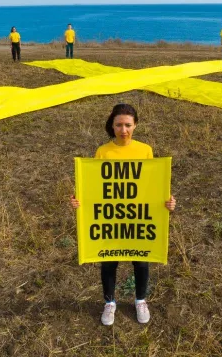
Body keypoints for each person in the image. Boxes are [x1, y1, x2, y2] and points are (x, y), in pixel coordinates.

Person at [70, 103, 176, 326]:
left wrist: (167, 202)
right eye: (119, 125)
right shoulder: (103, 152)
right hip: (112, 217)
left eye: (128, 125)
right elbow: (95, 185)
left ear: (135, 125)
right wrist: (80, 201)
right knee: (109, 262)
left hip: (137, 216)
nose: (123, 130)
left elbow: (151, 184)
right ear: (112, 125)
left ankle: (140, 300)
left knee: (141, 261)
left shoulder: (145, 150)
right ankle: (109, 303)